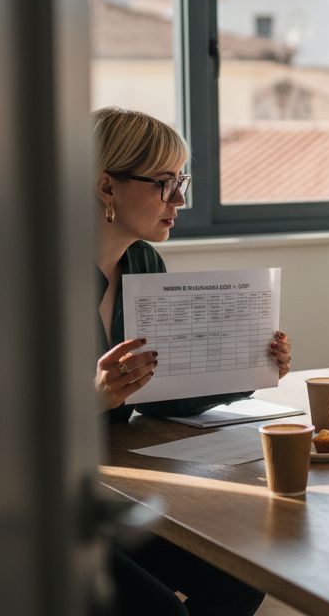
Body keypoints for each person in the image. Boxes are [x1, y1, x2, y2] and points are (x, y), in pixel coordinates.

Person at [94, 106, 291, 615]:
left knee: (244, 573)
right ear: (105, 187)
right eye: (164, 183)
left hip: (121, 479)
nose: (180, 199)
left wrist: (252, 366)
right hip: (50, 498)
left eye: (181, 180)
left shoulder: (143, 263)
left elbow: (159, 392)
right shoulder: (29, 270)